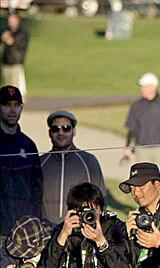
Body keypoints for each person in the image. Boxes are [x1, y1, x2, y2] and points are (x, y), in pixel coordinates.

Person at [41, 110, 106, 224]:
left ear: (74, 131)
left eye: (66, 128)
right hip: (46, 234)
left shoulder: (89, 161)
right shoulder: (40, 163)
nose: (60, 133)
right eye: (55, 129)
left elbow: (101, 202)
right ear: (49, 133)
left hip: (79, 233)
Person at [0, 85, 42, 241]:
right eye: (7, 105)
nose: (12, 110)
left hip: (24, 233)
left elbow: (37, 191)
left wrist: (34, 226)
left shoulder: (29, 145)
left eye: (16, 105)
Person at [122, 73, 160, 163]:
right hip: (141, 149)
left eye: (144, 87)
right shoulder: (136, 105)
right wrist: (127, 147)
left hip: (159, 149)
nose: (142, 89)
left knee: (159, 176)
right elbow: (131, 128)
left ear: (153, 87)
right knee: (142, 176)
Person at [1, 13, 29, 97]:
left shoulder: (22, 32)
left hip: (16, 63)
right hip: (6, 62)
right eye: (9, 20)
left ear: (17, 21)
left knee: (16, 87)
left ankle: (17, 105)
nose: (10, 22)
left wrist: (7, 38)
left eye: (12, 20)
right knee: (7, 88)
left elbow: (12, 42)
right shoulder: (6, 30)